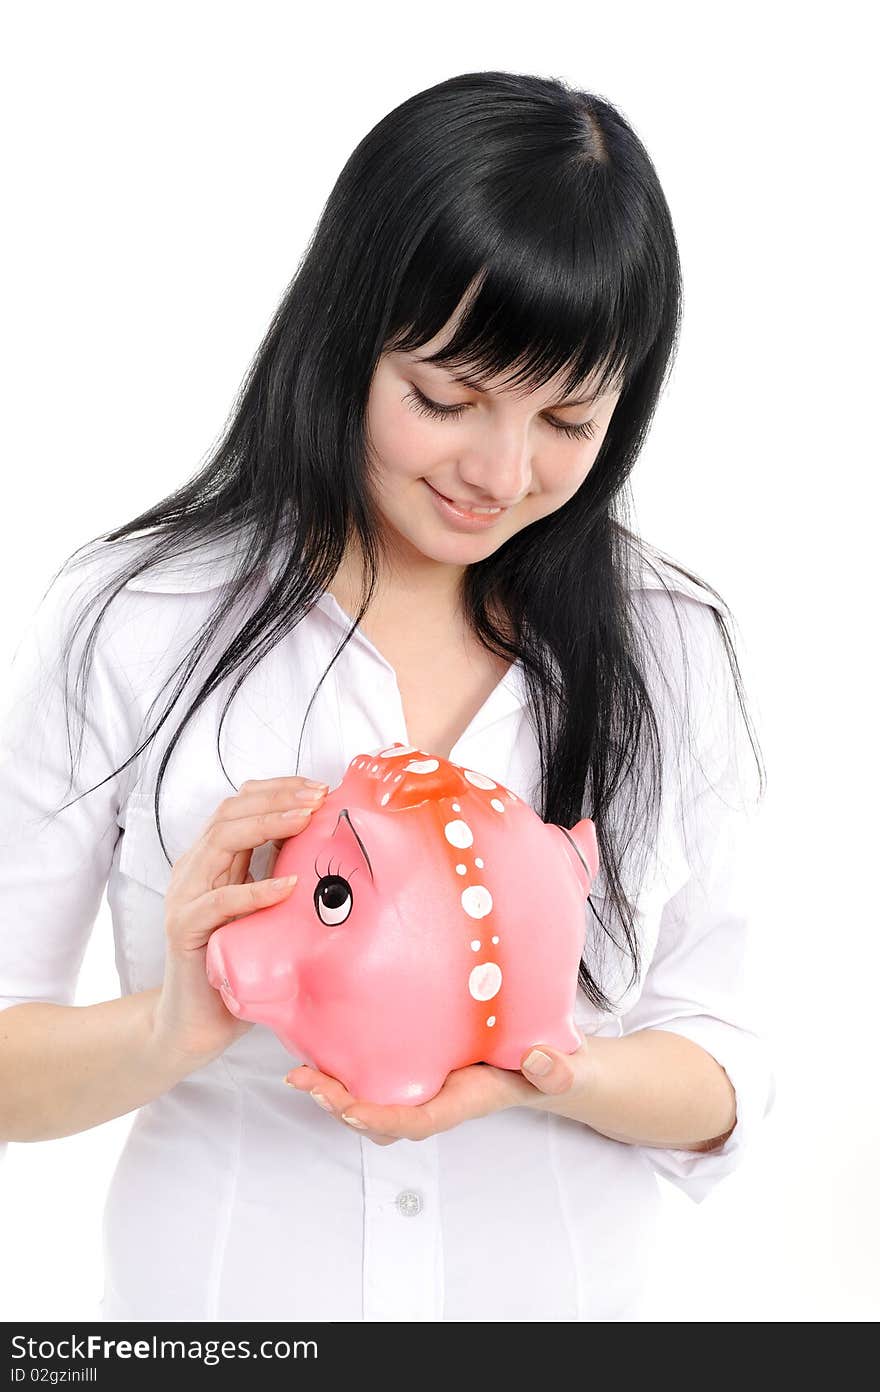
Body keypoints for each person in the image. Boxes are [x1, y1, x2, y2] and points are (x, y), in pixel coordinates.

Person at [0, 70, 775, 1322]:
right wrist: (177, 1025)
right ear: (345, 335)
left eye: (568, 419)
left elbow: (728, 1066)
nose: (501, 472)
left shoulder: (666, 643)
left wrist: (544, 1069)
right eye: (443, 398)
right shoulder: (134, 619)